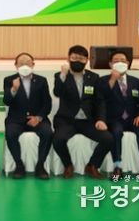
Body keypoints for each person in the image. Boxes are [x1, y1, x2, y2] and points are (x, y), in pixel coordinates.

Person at [52, 45, 113, 179]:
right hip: (67, 121)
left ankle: (92, 165)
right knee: (57, 139)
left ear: (86, 60)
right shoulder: (60, 75)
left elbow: (99, 101)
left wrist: (101, 119)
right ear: (68, 58)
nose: (77, 61)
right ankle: (68, 165)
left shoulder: (94, 77)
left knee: (108, 138)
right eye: (74, 58)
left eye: (81, 58)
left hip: (88, 121)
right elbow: (57, 92)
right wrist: (63, 75)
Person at [98, 50, 139, 180]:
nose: (120, 63)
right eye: (116, 61)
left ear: (128, 63)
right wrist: (113, 79)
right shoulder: (102, 80)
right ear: (110, 64)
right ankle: (117, 166)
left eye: (123, 60)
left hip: (133, 118)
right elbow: (101, 99)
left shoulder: (136, 81)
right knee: (116, 131)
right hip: (114, 119)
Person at [3, 52, 53, 179]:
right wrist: (13, 89)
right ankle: (19, 165)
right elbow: (6, 101)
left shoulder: (41, 80)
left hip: (37, 119)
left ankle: (40, 166)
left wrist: (39, 117)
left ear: (33, 65)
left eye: (28, 63)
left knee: (48, 133)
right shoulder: (9, 80)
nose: (24, 66)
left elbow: (47, 103)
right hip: (16, 119)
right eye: (21, 63)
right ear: (16, 65)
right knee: (10, 134)